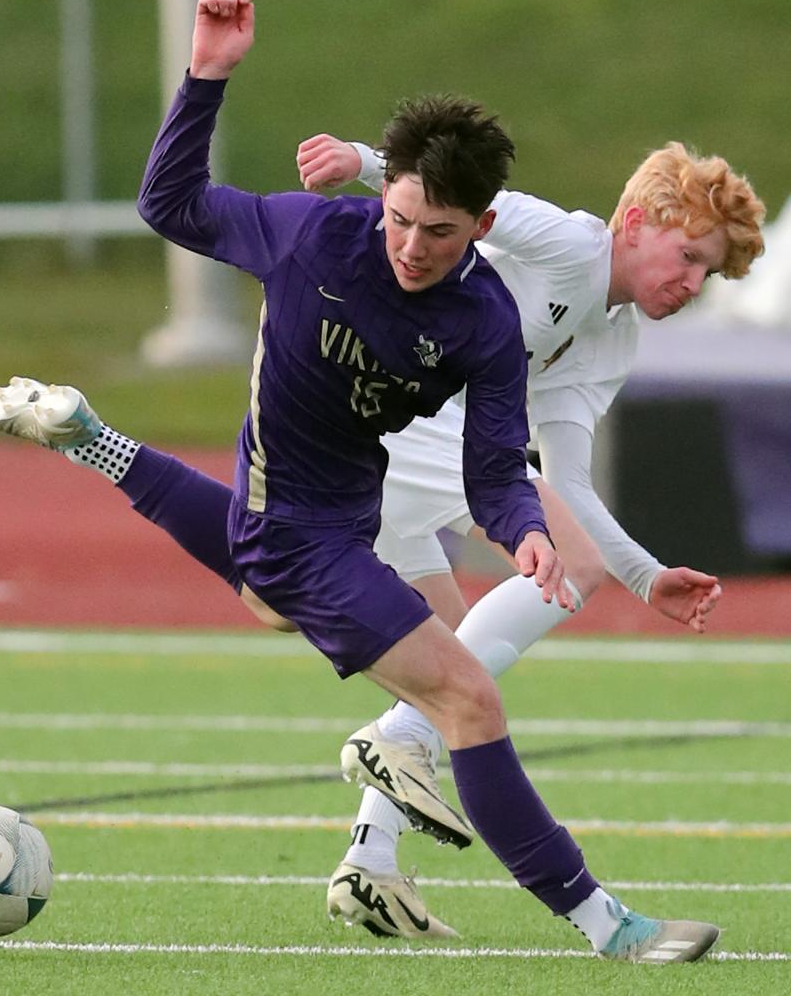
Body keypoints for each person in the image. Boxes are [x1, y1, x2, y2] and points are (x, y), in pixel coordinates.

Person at [0, 0, 725, 963]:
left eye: (442, 232)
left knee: (283, 605)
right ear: (388, 194)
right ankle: (607, 925)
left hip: (339, 515)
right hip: (301, 530)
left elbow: (498, 464)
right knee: (467, 696)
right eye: (404, 218)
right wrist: (207, 75)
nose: (414, 247)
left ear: (481, 224)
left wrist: (525, 529)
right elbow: (167, 203)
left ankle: (96, 439)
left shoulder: (485, 321)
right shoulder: (307, 234)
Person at [294, 135, 766, 934]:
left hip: (424, 444)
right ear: (637, 221)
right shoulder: (571, 240)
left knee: (444, 653)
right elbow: (456, 197)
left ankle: (370, 862)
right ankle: (401, 736)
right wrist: (360, 161)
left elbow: (571, 481)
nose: (692, 283)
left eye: (707, 272)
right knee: (551, 579)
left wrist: (647, 576)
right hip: (386, 419)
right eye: (687, 255)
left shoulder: (612, 336)